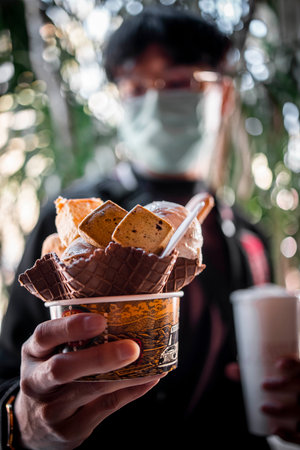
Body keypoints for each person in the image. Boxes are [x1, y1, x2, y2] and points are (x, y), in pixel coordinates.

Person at [1, 6, 300, 449]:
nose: (157, 99)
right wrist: (24, 424)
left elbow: (256, 376)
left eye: (180, 82)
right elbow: (11, 371)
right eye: (137, 86)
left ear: (225, 96)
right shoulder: (70, 225)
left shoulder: (250, 239)